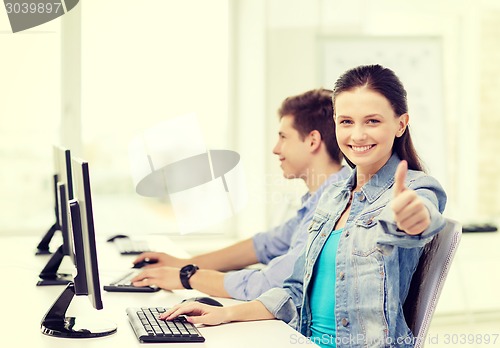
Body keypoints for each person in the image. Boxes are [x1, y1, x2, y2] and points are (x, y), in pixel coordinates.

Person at [159, 64, 447, 348]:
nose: (357, 135)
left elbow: (423, 219)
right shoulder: (333, 195)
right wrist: (224, 313)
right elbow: (294, 289)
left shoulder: (415, 189)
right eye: (346, 121)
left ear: (400, 124)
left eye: (372, 121)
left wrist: (414, 218)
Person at [131, 88, 351, 300]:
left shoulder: (336, 205)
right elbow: (264, 245)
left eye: (283, 137)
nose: (276, 148)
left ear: (312, 141)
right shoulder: (319, 200)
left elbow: (270, 284)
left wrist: (187, 277)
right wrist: (183, 262)